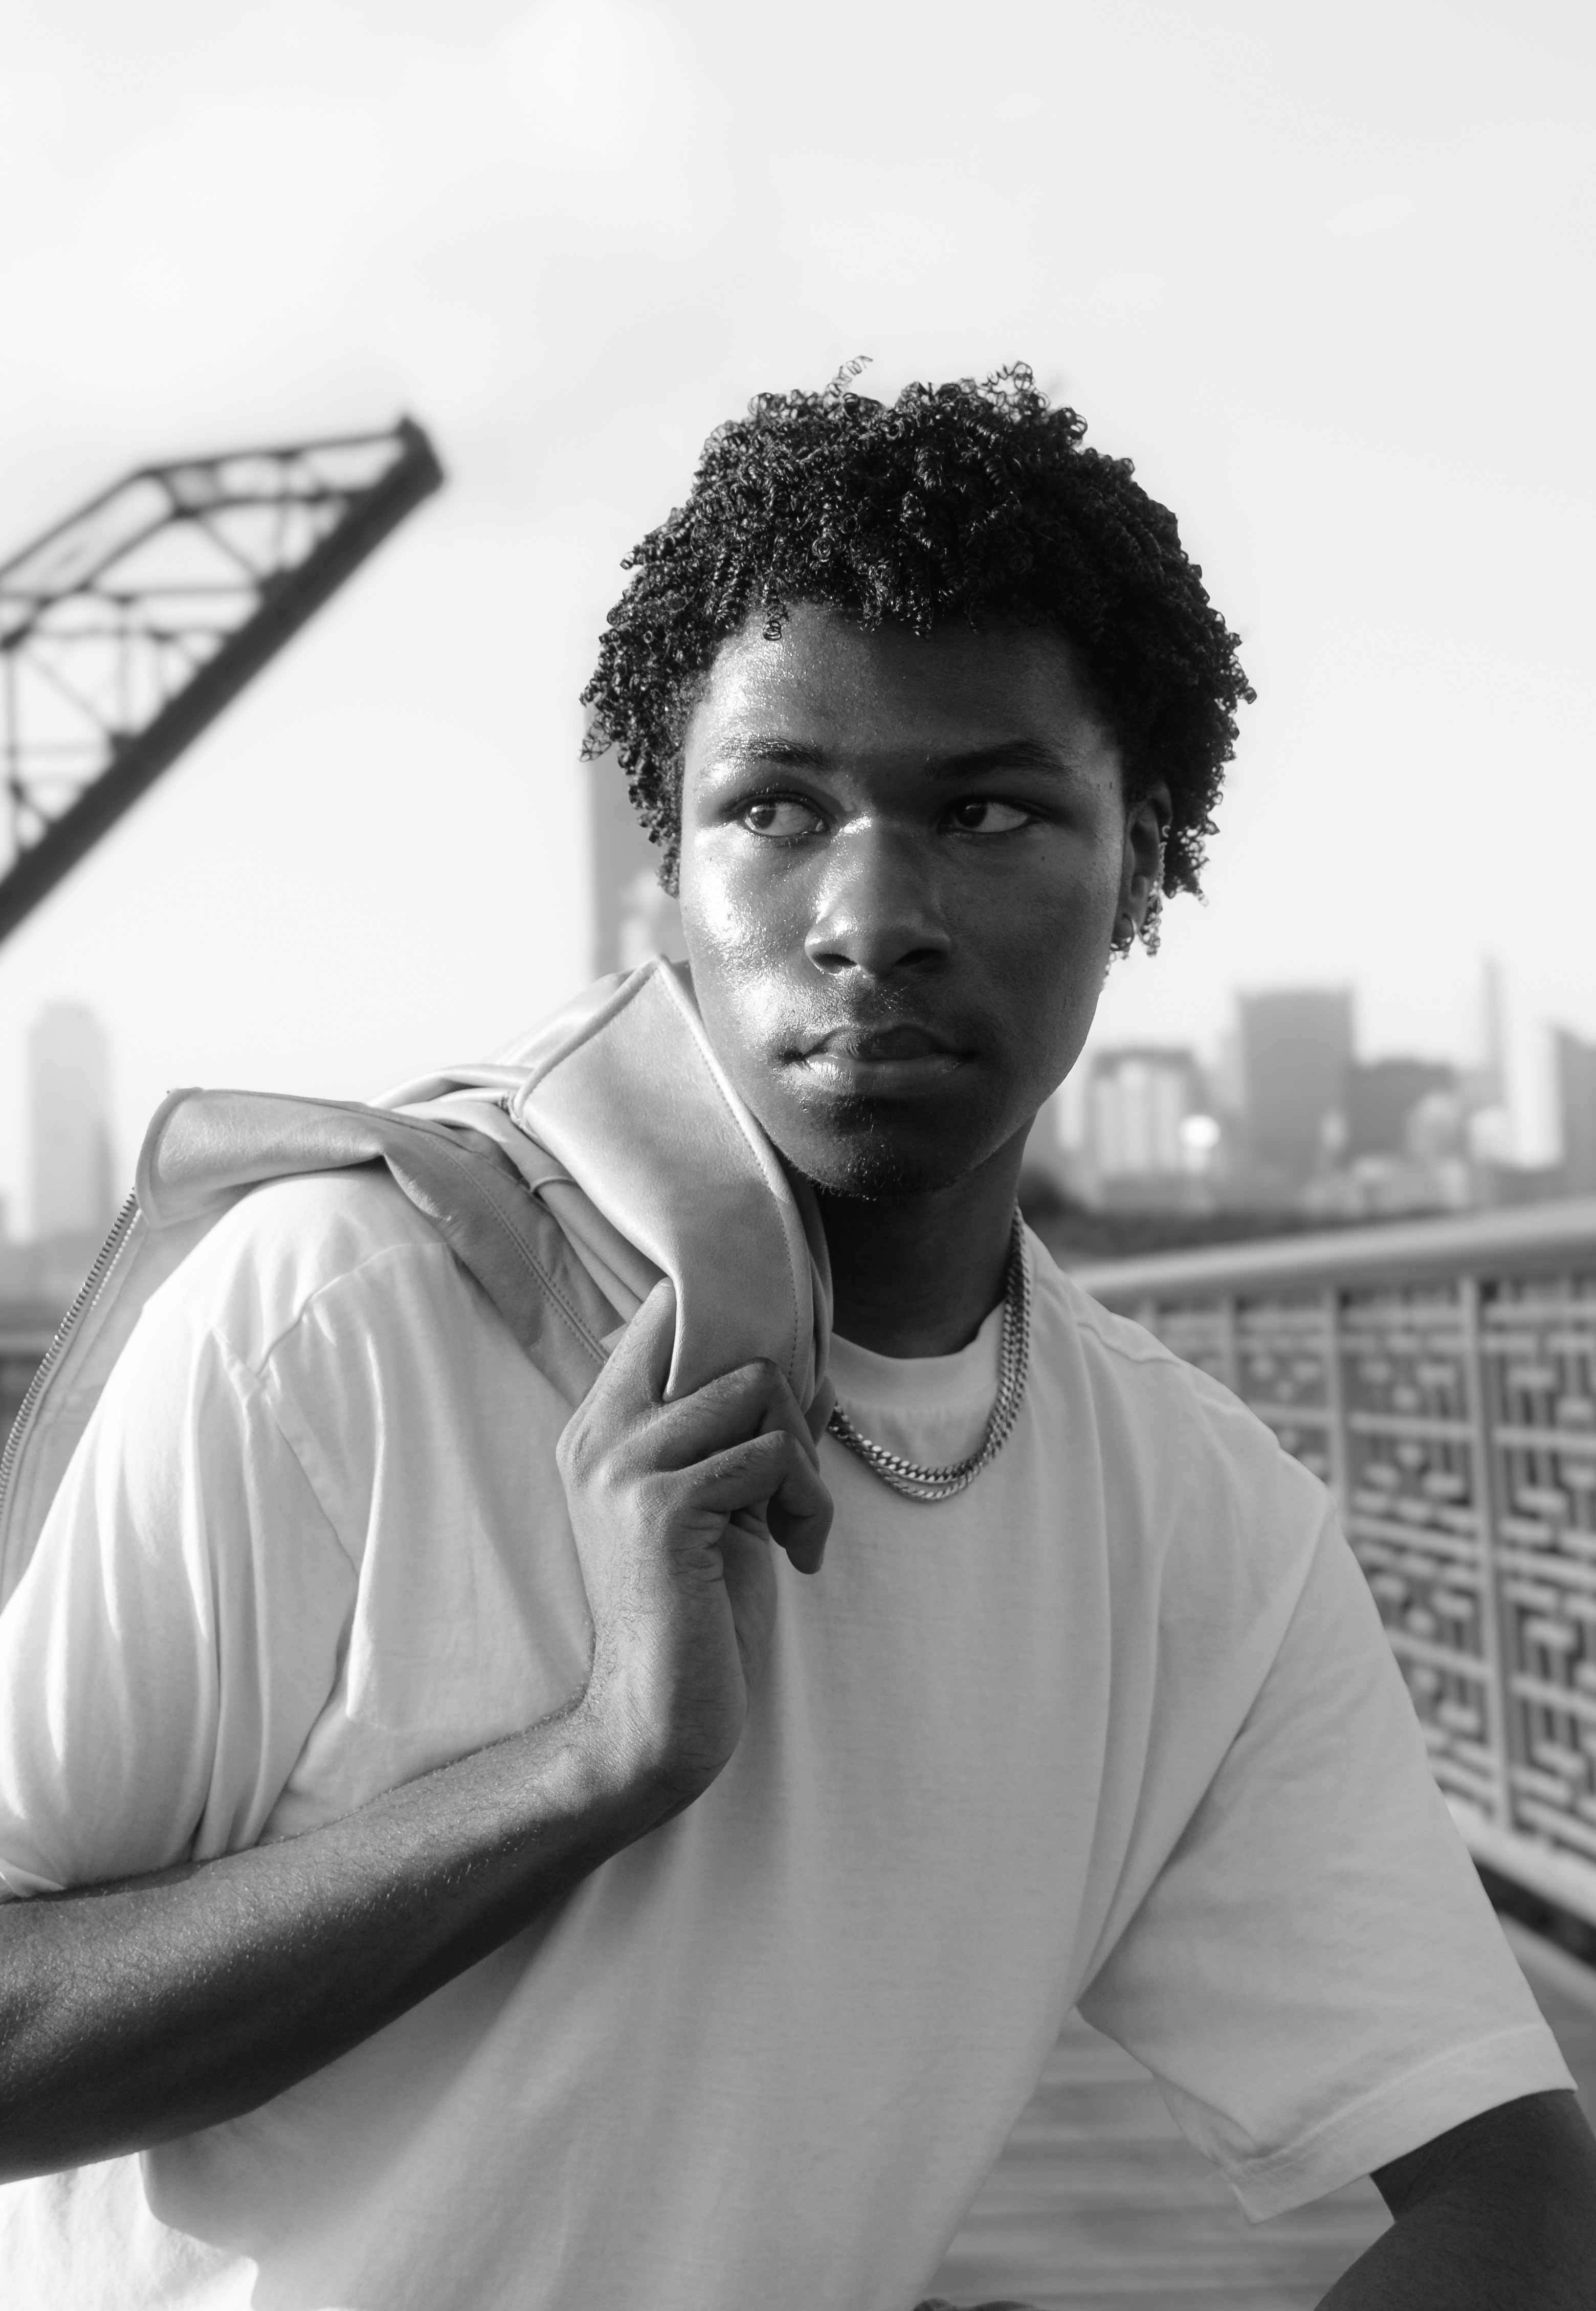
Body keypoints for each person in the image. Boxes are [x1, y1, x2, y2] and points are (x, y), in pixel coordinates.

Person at [0, 368, 1591, 2311]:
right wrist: (589, 1769)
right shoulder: (339, 1315)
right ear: (669, 866)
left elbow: (1520, 2189)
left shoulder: (1200, 1521)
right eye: (774, 809)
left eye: (988, 810)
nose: (869, 915)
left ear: (1149, 856)